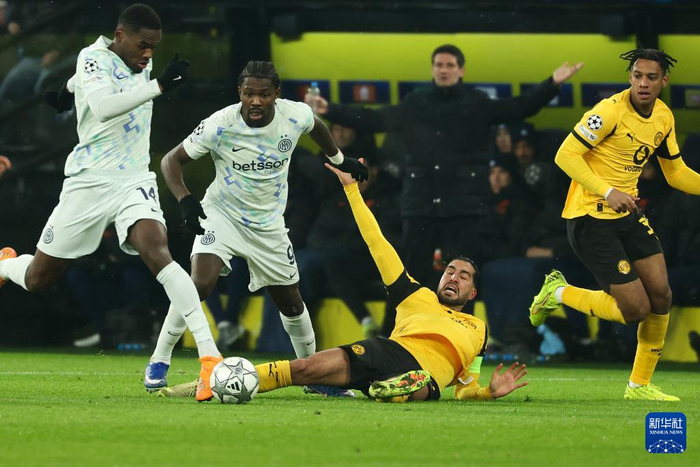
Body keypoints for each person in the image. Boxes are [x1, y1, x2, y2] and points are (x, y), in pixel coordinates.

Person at [0, 4, 224, 402]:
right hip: (88, 182)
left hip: (134, 179)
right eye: (143, 45)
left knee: (159, 253)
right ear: (120, 35)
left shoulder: (135, 61)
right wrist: (159, 86)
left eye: (154, 47)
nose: (149, 54)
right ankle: (5, 264)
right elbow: (103, 107)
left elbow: (94, 84)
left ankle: (210, 359)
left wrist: (68, 92)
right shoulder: (93, 57)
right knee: (37, 278)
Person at [162, 160, 528, 402]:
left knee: (423, 387)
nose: (453, 277)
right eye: (450, 270)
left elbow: (465, 387)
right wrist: (352, 190)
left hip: (428, 375)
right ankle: (213, 382)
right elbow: (376, 241)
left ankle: (397, 388)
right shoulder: (414, 294)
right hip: (386, 351)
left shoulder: (478, 331)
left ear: (472, 292)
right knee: (304, 369)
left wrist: (488, 392)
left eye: (463, 276)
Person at [151, 61, 368, 398]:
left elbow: (317, 126)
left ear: (276, 94)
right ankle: (159, 360)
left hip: (268, 226)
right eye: (249, 93)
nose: (255, 101)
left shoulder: (295, 115)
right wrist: (185, 200)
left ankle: (313, 374)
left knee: (291, 304)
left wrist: (340, 160)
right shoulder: (220, 124)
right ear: (239, 92)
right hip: (221, 215)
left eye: (264, 94)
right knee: (199, 284)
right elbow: (170, 160)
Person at [306, 44, 583, 286]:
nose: (444, 70)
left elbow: (520, 106)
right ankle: (405, 329)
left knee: (462, 278)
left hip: (463, 207)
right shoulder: (415, 103)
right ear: (432, 69)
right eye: (439, 64)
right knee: (410, 278)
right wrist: (330, 110)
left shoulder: (477, 103)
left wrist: (552, 84)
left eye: (450, 65)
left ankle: (462, 330)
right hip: (421, 206)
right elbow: (374, 119)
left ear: (461, 70)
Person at [529, 48, 700, 401]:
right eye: (637, 76)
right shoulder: (608, 112)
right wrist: (608, 191)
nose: (643, 83)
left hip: (627, 215)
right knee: (636, 310)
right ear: (630, 78)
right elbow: (565, 154)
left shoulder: (664, 117)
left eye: (651, 77)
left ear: (664, 81)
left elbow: (676, 173)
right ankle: (557, 292)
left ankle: (639, 386)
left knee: (662, 295)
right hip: (590, 217)